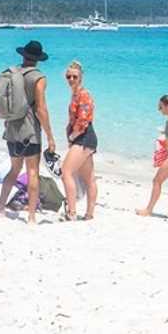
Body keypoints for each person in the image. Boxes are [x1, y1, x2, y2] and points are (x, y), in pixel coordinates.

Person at [0, 40, 55, 224]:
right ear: (38, 59)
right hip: (30, 131)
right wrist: (50, 136)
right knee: (32, 172)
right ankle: (31, 216)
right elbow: (41, 108)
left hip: (11, 130)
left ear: (23, 55)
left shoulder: (9, 73)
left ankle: (0, 209)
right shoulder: (38, 77)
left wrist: (8, 109)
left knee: (14, 170)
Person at [61, 60, 98, 221]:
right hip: (84, 137)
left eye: (74, 77)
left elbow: (82, 121)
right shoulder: (75, 94)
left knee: (66, 172)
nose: (71, 79)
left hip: (84, 137)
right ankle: (89, 214)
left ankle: (72, 212)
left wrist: (71, 137)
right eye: (68, 76)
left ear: (81, 77)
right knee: (89, 178)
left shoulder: (83, 94)